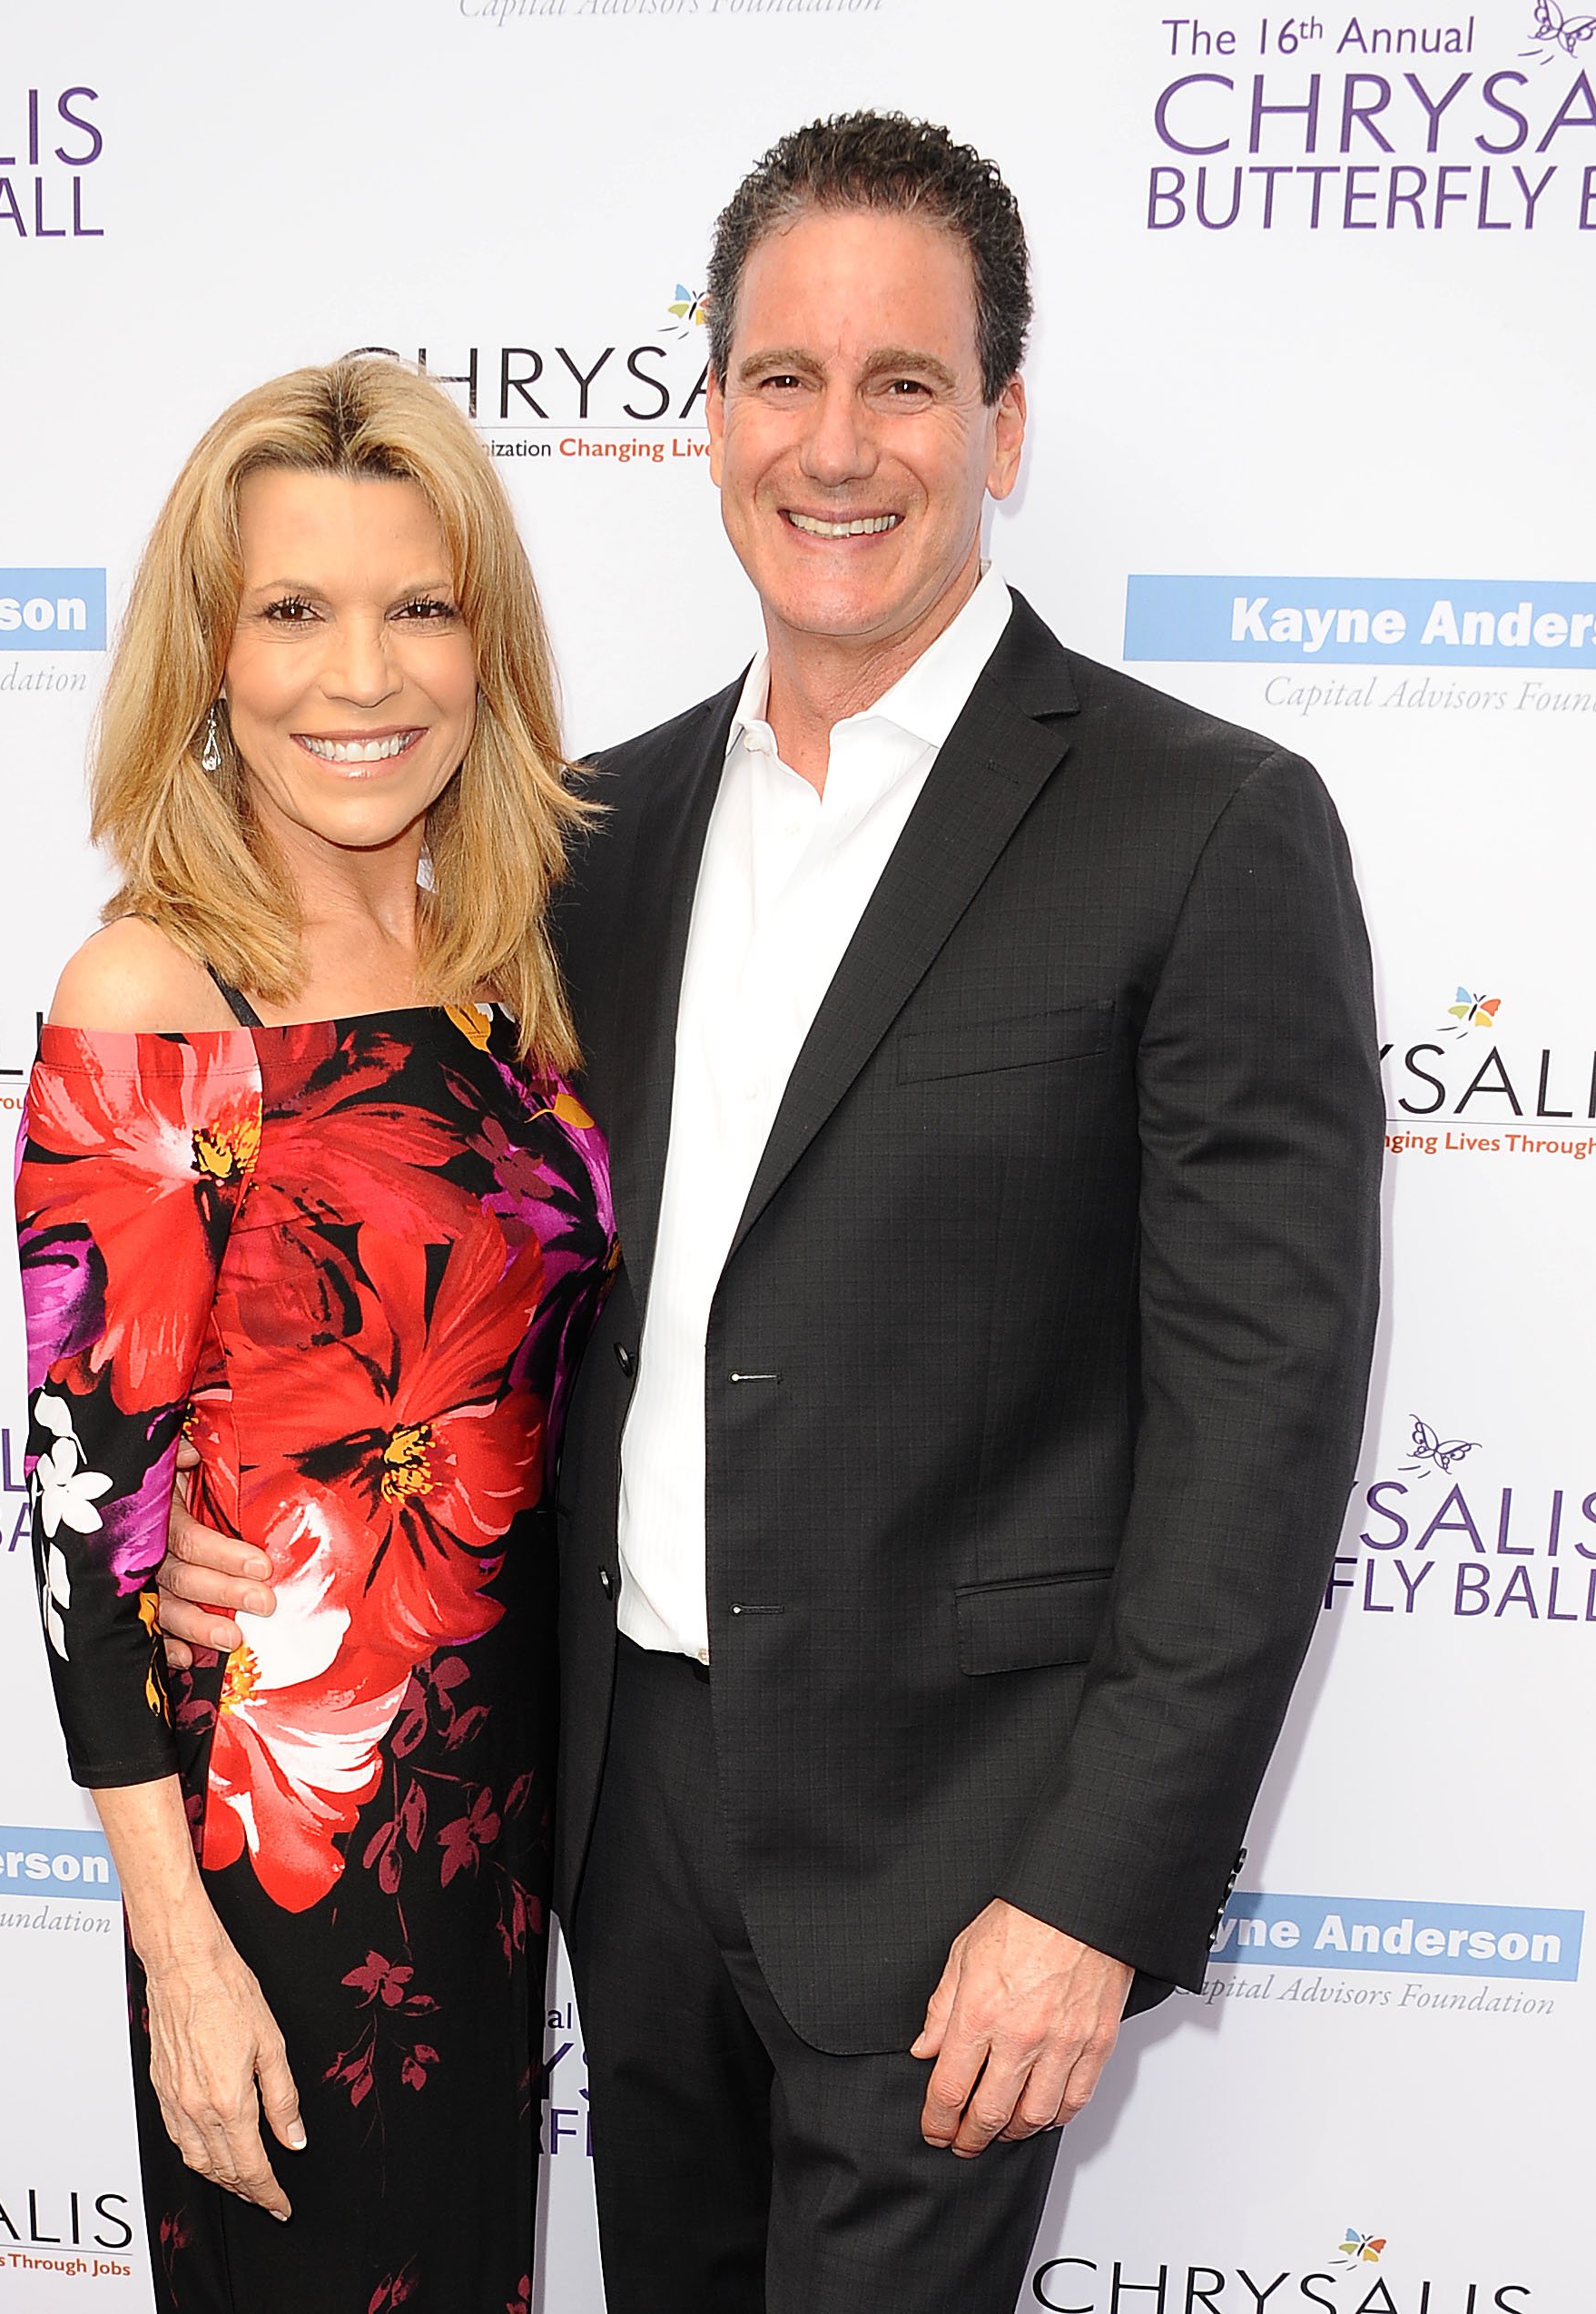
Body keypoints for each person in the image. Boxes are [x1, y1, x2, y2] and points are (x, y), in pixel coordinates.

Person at [154, 114, 1383, 2313]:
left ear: (1002, 423)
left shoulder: (1203, 830)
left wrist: (1092, 1894)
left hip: (962, 1865)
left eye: (905, 383)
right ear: (710, 418)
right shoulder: (577, 841)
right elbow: (437, 1268)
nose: (841, 445)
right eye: (784, 381)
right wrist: (244, 1521)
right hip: (617, 1818)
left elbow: (1262, 1423)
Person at [15, 358, 614, 2314]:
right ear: (209, 653)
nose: (361, 675)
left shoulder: (506, 966)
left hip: (498, 1820)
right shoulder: (158, 989)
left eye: (417, 607)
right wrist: (177, 1961)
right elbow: (83, 1529)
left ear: (484, 648)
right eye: (295, 610)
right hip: (280, 1859)